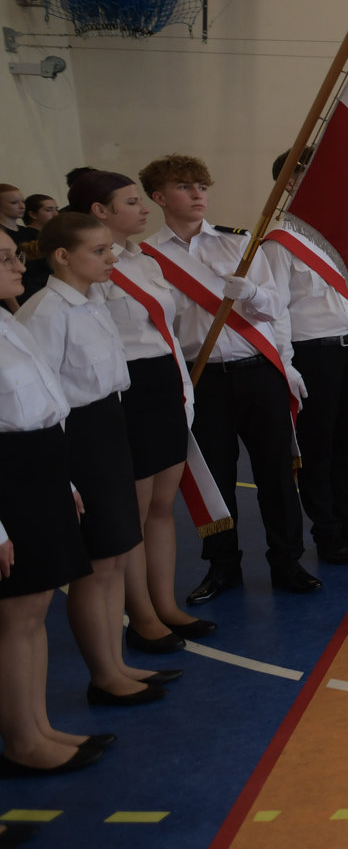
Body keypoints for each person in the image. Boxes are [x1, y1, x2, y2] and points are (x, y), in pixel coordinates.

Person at [140, 154, 315, 603]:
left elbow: (275, 307)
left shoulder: (238, 243)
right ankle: (222, 567)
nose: (198, 194)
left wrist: (252, 293)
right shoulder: (147, 258)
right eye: (184, 186)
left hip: (257, 372)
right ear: (159, 197)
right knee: (214, 477)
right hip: (203, 379)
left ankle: (287, 560)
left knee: (276, 472)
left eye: (202, 186)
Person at [16, 214, 165, 707]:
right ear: (63, 256)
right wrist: (65, 474)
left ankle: (117, 663)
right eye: (99, 251)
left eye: (109, 249)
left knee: (118, 554)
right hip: (77, 439)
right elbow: (47, 398)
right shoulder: (46, 313)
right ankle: (103, 675)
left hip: (108, 428)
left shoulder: (92, 300)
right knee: (98, 561)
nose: (111, 258)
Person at [70, 169, 218, 648]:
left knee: (161, 507)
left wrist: (182, 390)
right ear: (100, 211)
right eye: (131, 201)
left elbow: (166, 331)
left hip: (162, 385)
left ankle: (165, 604)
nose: (143, 209)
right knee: (131, 512)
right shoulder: (91, 271)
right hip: (126, 391)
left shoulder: (144, 260)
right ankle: (142, 616)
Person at [263, 151, 348, 567]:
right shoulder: (279, 243)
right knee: (317, 449)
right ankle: (327, 534)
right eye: (307, 175)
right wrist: (287, 365)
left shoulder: (341, 231)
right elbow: (276, 311)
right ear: (289, 183)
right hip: (313, 355)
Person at [0, 236, 100, 775]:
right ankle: (22, 742)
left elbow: (45, 406)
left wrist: (63, 481)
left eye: (16, 255)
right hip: (9, 479)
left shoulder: (8, 321)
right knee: (15, 615)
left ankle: (38, 726)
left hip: (39, 470)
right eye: (5, 259)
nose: (20, 265)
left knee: (35, 609)